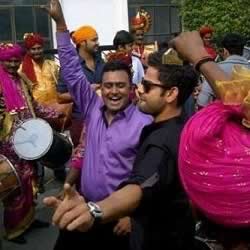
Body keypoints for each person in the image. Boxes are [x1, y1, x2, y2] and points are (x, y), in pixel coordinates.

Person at [42, 1, 152, 249]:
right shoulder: (92, 107)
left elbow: (150, 177)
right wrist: (60, 24)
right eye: (108, 85)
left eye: (121, 86)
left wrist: (132, 214)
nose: (114, 91)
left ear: (132, 89)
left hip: (119, 217)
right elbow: (70, 70)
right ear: (101, 88)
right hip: (85, 205)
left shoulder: (144, 124)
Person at [0, 43, 52, 244]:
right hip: (9, 145)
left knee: (31, 182)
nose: (13, 64)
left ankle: (28, 220)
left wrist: (54, 114)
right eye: (9, 60)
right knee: (15, 188)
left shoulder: (22, 79)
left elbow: (35, 105)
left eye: (16, 60)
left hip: (29, 142)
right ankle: (13, 229)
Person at [197, 33, 250, 108]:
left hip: (224, 117)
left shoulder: (215, 69)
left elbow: (202, 101)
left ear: (225, 50)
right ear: (242, 50)